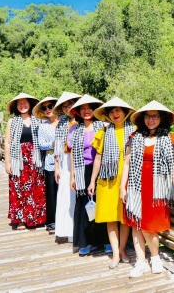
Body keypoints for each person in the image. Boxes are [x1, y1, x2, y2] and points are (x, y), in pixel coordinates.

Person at [120, 101, 174, 278]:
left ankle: (156, 258)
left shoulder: (168, 138)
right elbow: (127, 164)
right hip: (135, 186)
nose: (151, 120)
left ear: (161, 118)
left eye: (155, 116)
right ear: (143, 119)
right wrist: (122, 187)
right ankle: (141, 261)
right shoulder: (134, 137)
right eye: (148, 116)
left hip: (156, 189)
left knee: (150, 226)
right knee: (136, 223)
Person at [88, 97, 134, 268]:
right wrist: (92, 180)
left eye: (118, 110)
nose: (115, 114)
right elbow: (98, 158)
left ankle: (122, 249)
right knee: (110, 218)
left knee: (124, 217)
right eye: (112, 111)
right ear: (108, 114)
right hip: (108, 180)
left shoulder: (134, 131)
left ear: (125, 112)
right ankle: (115, 252)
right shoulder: (104, 132)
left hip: (128, 179)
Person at [68, 94, 108, 255]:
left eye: (89, 108)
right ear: (78, 111)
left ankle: (104, 240)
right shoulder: (75, 130)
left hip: (101, 169)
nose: (86, 111)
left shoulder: (103, 126)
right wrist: (72, 176)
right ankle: (86, 241)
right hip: (81, 169)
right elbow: (71, 153)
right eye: (83, 108)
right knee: (84, 206)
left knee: (101, 204)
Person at [4, 93, 46, 230]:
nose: (23, 106)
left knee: (37, 188)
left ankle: (37, 218)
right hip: (19, 160)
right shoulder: (12, 121)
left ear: (30, 104)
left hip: (35, 159)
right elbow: (8, 143)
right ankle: (22, 220)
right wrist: (8, 162)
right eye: (19, 103)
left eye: (25, 103)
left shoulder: (38, 120)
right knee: (19, 188)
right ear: (16, 106)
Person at [53, 91, 82, 244]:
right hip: (65, 159)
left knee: (78, 196)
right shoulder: (62, 122)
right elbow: (58, 145)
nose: (67, 108)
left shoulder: (83, 120)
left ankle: (78, 231)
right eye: (64, 106)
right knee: (65, 195)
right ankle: (66, 230)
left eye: (70, 104)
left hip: (81, 160)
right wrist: (57, 166)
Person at [32, 96, 59, 234]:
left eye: (51, 106)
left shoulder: (64, 122)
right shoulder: (42, 126)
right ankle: (52, 221)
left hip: (64, 161)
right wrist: (54, 145)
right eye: (45, 108)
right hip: (49, 160)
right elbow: (41, 144)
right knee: (51, 191)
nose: (48, 110)